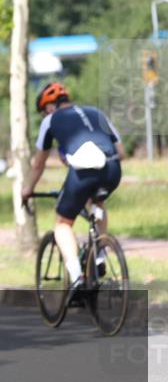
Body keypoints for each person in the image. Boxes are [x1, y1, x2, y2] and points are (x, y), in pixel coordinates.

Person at [22, 81, 125, 301]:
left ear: (48, 107)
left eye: (43, 112)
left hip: (84, 172)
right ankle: (99, 253)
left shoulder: (50, 120)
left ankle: (77, 277)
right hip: (113, 169)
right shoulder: (97, 112)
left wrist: (26, 190)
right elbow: (122, 151)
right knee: (97, 203)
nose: (44, 116)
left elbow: (38, 163)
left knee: (62, 224)